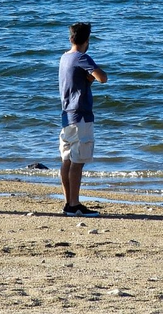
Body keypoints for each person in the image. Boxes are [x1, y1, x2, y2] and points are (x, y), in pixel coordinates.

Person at [59, 22, 108, 217]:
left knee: (67, 160)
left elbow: (75, 81)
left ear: (71, 38)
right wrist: (95, 75)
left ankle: (68, 202)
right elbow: (103, 77)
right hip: (81, 115)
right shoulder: (82, 57)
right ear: (87, 40)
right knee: (78, 161)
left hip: (67, 115)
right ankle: (75, 204)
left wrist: (88, 79)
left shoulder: (65, 58)